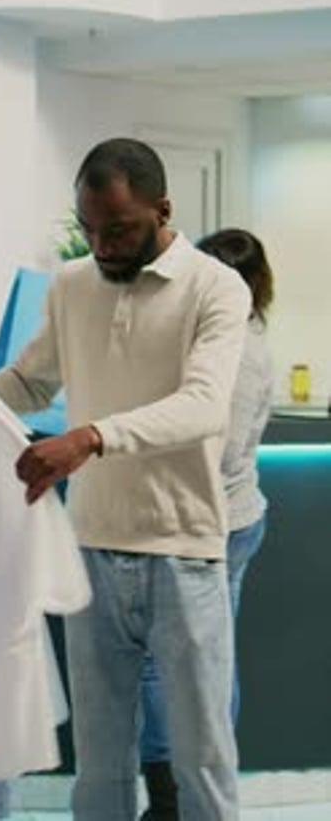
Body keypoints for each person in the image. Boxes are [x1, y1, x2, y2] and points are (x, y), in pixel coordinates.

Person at [0, 138, 251, 821]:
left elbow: (203, 405)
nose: (101, 246)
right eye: (90, 229)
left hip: (184, 552)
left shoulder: (216, 287)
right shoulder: (73, 286)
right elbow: (28, 381)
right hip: (90, 549)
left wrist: (91, 437)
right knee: (100, 766)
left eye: (119, 230)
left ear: (162, 210)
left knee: (202, 761)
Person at [139, 228, 274, 821]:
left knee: (164, 663)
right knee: (205, 661)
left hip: (206, 525)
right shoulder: (220, 338)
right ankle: (196, 795)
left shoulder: (238, 352)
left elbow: (216, 454)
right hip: (214, 520)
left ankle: (175, 799)